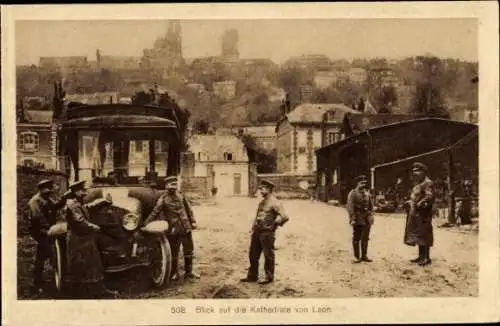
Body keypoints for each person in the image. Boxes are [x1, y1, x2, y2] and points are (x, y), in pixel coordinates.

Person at [144, 176, 199, 281]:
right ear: (167, 186)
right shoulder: (163, 198)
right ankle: (174, 273)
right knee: (174, 252)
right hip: (174, 230)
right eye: (171, 184)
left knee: (189, 250)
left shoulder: (181, 195)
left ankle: (189, 273)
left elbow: (188, 210)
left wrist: (193, 221)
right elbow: (155, 212)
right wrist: (146, 223)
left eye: (175, 184)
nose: (174, 187)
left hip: (186, 227)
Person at [65, 180, 113, 298]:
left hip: (85, 239)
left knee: (92, 266)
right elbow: (79, 221)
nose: (85, 193)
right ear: (76, 192)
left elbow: (89, 207)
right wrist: (95, 227)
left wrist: (103, 202)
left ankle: (94, 290)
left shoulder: (78, 203)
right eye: (82, 191)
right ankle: (79, 293)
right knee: (81, 267)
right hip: (78, 240)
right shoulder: (71, 204)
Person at [240, 180, 290, 284]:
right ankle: (252, 276)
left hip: (267, 232)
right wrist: (253, 227)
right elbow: (258, 216)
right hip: (257, 231)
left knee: (268, 255)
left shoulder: (275, 202)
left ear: (268, 189)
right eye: (260, 188)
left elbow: (284, 216)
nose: (260, 191)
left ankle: (269, 277)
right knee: (253, 254)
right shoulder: (262, 202)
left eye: (262, 188)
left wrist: (274, 224)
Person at [26, 179, 68, 294]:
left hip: (48, 231)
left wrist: (64, 198)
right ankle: (39, 284)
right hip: (41, 232)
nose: (50, 191)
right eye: (47, 189)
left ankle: (44, 281)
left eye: (50, 189)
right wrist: (49, 229)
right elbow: (38, 218)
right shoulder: (35, 201)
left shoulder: (46, 198)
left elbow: (55, 206)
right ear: (41, 189)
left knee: (43, 256)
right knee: (46, 255)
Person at [404, 162, 435, 266]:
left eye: (417, 171)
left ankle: (426, 257)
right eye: (414, 171)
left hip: (423, 213)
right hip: (416, 213)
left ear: (423, 172)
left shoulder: (428, 183)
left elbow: (429, 196)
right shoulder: (418, 183)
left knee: (425, 234)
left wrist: (420, 203)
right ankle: (421, 256)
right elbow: (415, 196)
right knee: (419, 234)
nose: (415, 173)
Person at [346, 175, 374, 263]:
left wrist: (371, 216)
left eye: (364, 183)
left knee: (365, 237)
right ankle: (356, 256)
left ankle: (364, 256)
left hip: (366, 218)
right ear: (357, 183)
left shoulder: (367, 193)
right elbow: (350, 207)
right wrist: (352, 218)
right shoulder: (353, 193)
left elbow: (371, 206)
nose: (363, 185)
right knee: (356, 237)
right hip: (358, 218)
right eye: (361, 183)